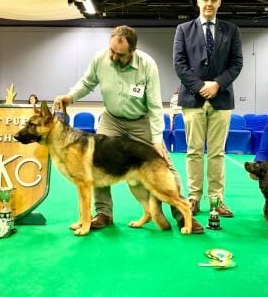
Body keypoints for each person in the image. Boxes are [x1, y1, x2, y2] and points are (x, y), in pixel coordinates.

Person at [54, 25, 204, 233]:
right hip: (112, 118)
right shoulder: (101, 58)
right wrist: (70, 96)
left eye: (119, 54)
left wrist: (157, 140)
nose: (113, 56)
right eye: (111, 51)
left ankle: (181, 215)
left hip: (140, 120)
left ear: (132, 50)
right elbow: (87, 82)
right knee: (96, 162)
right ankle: (103, 214)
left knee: (163, 163)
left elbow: (154, 106)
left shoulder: (147, 65)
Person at [173, 0, 243, 217]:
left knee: (217, 152)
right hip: (192, 99)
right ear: (198, 2)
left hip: (221, 99)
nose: (209, 4)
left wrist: (217, 84)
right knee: (193, 151)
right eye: (206, 0)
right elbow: (179, 64)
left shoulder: (231, 30)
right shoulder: (183, 29)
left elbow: (236, 64)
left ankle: (216, 199)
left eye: (214, 0)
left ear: (219, 3)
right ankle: (193, 197)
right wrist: (200, 86)